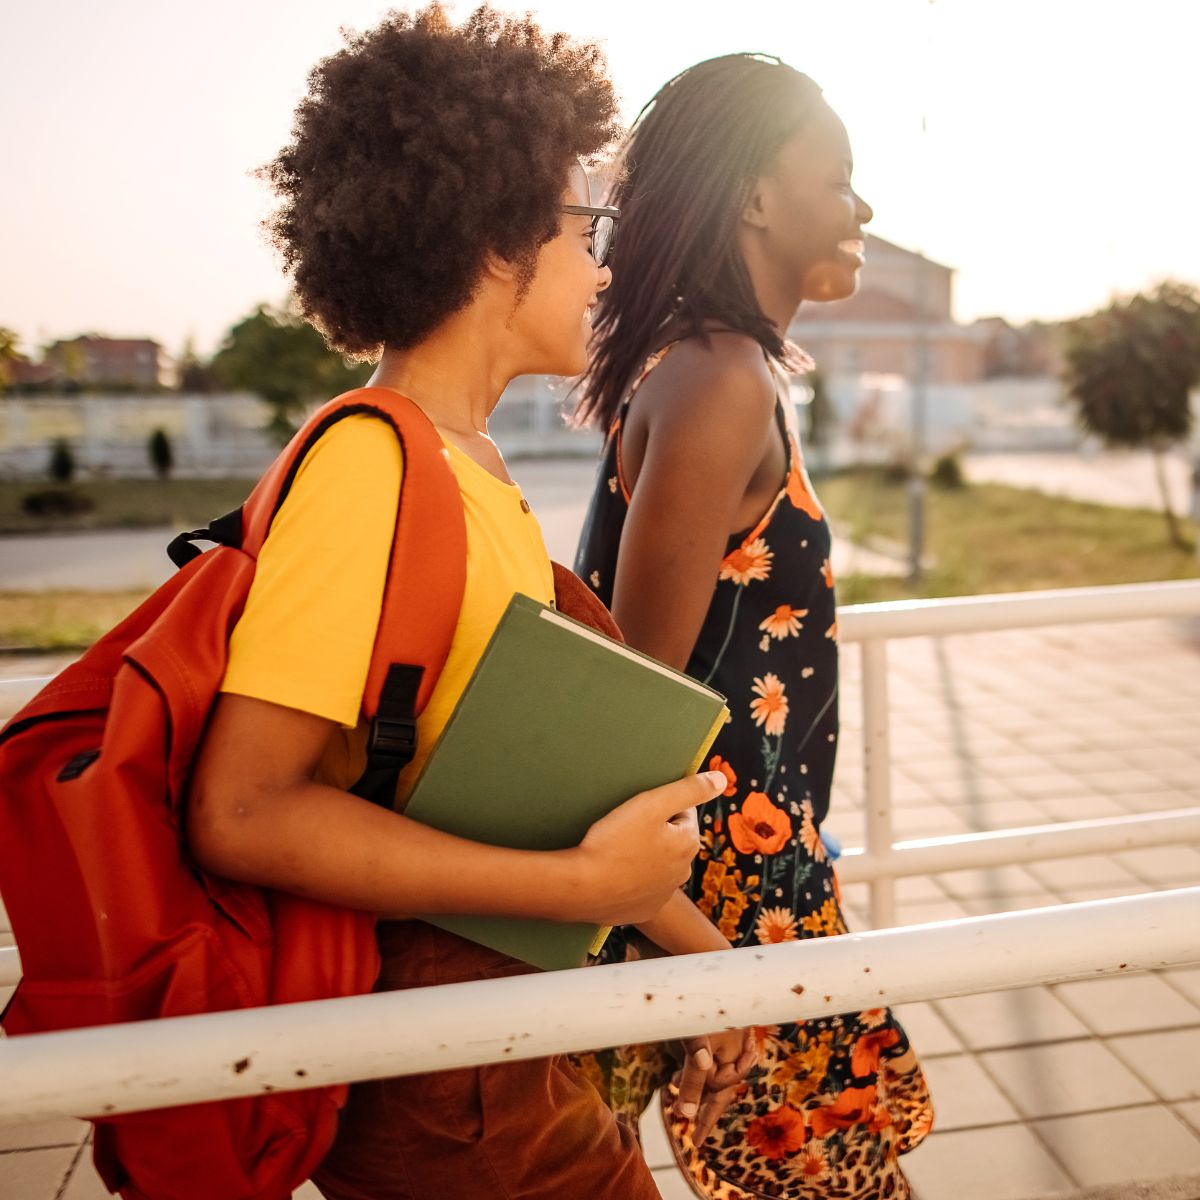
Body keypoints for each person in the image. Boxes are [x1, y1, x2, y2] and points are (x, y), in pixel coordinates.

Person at [186, 8, 729, 1197]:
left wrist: (717, 977)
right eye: (593, 227)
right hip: (450, 1084)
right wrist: (582, 893)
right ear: (495, 239)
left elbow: (526, 781)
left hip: (510, 1041)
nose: (607, 266)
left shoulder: (466, 468)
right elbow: (245, 810)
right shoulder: (370, 469)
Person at [573, 54, 935, 1199]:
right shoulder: (719, 379)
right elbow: (636, 702)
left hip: (743, 887)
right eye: (838, 177)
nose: (863, 207)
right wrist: (711, 963)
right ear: (754, 199)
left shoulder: (720, 368)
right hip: (721, 902)